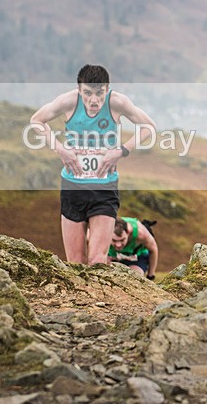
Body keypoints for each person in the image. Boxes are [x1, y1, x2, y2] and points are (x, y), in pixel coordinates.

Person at [30, 64, 155, 265]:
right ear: (79, 90)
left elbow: (149, 127)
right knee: (75, 263)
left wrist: (121, 151)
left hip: (104, 189)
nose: (94, 100)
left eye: (99, 93)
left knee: (97, 261)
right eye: (87, 93)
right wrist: (60, 148)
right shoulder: (68, 101)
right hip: (72, 187)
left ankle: (99, 298)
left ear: (107, 89)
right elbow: (36, 121)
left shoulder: (117, 102)